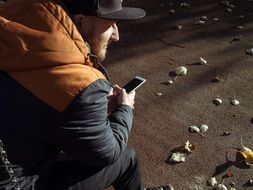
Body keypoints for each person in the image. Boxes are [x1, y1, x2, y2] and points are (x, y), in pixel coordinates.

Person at [0, 0, 173, 189]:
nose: (116, 35)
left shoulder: (14, 28)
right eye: (110, 24)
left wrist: (85, 113)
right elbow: (107, 153)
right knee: (126, 159)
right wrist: (124, 109)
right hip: (18, 183)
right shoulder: (76, 84)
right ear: (80, 21)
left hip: (18, 154)